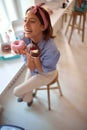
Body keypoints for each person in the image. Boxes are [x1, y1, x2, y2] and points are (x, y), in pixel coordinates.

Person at [13, 3, 60, 107]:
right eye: (25, 20)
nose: (26, 24)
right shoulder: (25, 39)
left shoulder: (51, 50)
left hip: (46, 74)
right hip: (34, 68)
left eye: (32, 21)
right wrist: (25, 54)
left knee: (17, 91)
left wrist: (36, 57)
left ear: (43, 26)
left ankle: (25, 96)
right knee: (27, 86)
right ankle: (28, 99)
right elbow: (30, 67)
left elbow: (41, 71)